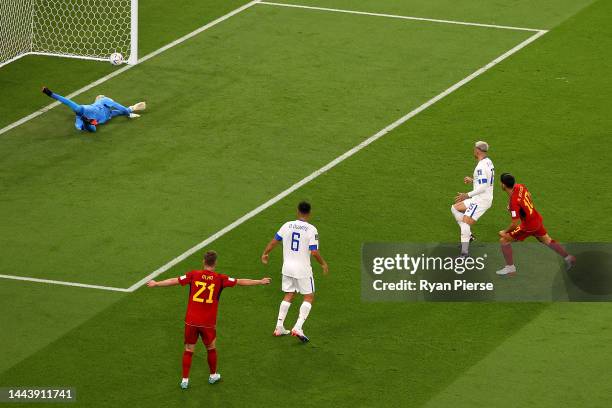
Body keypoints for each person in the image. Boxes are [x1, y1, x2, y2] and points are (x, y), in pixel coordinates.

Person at [147, 250, 271, 389]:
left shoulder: (193, 274)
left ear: (203, 262)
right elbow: (240, 281)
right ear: (215, 263)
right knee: (211, 348)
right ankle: (212, 376)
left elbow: (174, 281)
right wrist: (260, 281)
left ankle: (185, 380)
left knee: (188, 350)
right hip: (208, 322)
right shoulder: (220, 278)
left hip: (191, 320)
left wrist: (156, 283)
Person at [261, 201, 329, 343]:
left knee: (289, 294)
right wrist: (323, 263)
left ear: (297, 211)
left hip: (287, 268)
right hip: (302, 269)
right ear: (309, 213)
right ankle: (298, 327)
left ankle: (279, 326)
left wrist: (265, 253)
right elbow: (314, 251)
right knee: (309, 297)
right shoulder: (311, 229)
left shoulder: (287, 225)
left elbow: (275, 241)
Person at [496, 173, 575, 275]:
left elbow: (515, 224)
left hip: (528, 226)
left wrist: (504, 231)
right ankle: (569, 258)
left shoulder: (513, 203)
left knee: (504, 240)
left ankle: (511, 268)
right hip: (535, 218)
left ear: (503, 185)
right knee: (547, 240)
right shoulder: (520, 186)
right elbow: (529, 195)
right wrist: (522, 208)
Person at [452, 141, 495, 256]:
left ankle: (464, 253)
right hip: (481, 197)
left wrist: (467, 195)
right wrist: (473, 180)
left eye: (474, 149)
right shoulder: (488, 162)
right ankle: (468, 236)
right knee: (455, 208)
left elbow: (483, 187)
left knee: (465, 223)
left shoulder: (480, 167)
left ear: (477, 150)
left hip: (481, 200)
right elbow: (486, 181)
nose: (473, 151)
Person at [42, 87, 145, 132]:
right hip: (86, 111)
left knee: (84, 126)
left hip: (87, 117)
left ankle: (87, 123)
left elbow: (120, 111)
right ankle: (87, 122)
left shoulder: (110, 113)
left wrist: (131, 109)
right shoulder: (103, 101)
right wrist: (128, 113)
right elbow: (119, 107)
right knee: (74, 107)